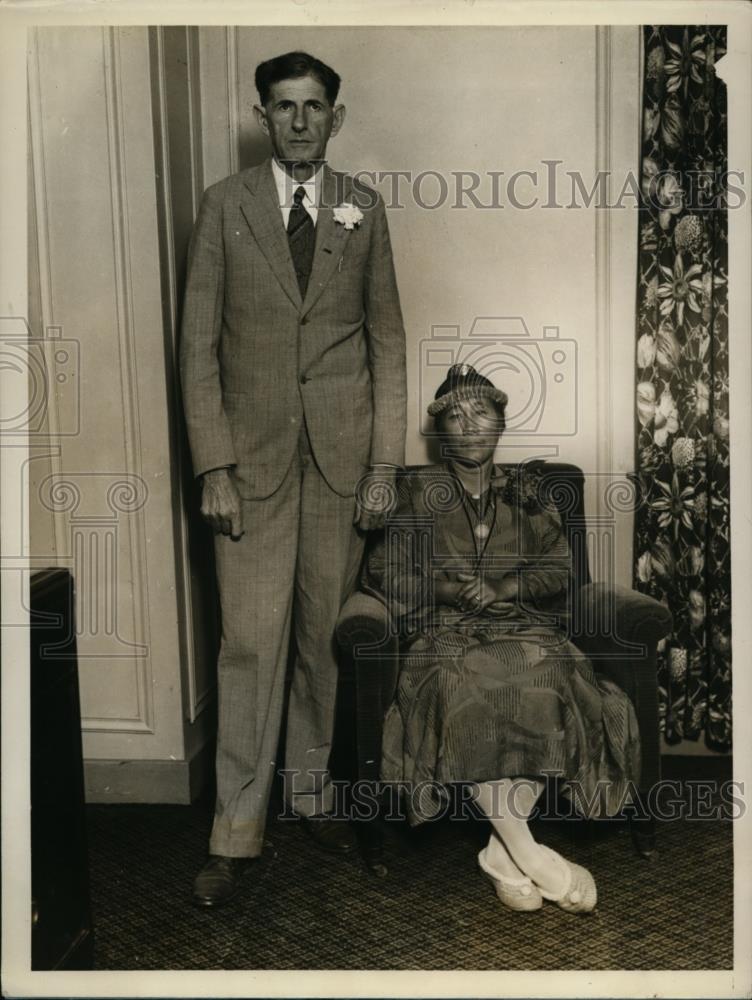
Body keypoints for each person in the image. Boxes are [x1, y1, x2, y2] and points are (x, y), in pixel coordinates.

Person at [180, 51, 407, 907]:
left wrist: (382, 466)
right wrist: (214, 467)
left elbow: (387, 343)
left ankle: (309, 795)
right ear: (262, 116)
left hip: (343, 467)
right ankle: (235, 833)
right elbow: (197, 349)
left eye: (316, 107)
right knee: (248, 645)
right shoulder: (223, 207)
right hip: (253, 468)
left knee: (322, 640)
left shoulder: (365, 210)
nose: (301, 121)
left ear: (335, 119)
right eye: (285, 107)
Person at [362, 364, 641, 913]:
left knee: (548, 675)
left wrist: (504, 585)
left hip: (525, 629)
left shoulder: (531, 491)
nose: (468, 424)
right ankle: (532, 854)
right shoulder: (412, 491)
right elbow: (383, 572)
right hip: (446, 634)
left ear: (501, 423)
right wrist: (441, 589)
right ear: (439, 430)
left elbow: (561, 569)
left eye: (481, 412)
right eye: (455, 415)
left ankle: (501, 850)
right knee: (466, 685)